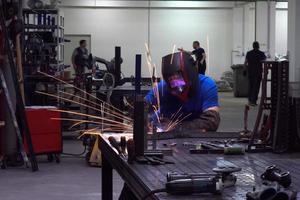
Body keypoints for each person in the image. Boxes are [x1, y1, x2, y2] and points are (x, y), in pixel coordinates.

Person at [118, 52, 220, 200]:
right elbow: (141, 108)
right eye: (173, 85)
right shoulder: (163, 87)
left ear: (190, 76)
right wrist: (141, 117)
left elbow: (211, 122)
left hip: (196, 151)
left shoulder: (207, 85)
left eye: (180, 84)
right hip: (164, 148)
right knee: (137, 182)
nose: (177, 90)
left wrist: (175, 128)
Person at [244, 41, 266, 106]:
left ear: (253, 46)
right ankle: (254, 101)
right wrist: (265, 71)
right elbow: (265, 62)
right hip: (258, 73)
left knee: (250, 86)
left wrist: (244, 70)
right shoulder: (261, 53)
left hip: (250, 72)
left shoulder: (249, 53)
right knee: (256, 87)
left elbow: (245, 62)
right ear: (258, 46)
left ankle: (250, 100)